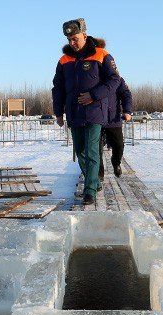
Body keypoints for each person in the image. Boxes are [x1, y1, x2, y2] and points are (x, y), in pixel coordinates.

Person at [52, 18, 121, 205]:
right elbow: (57, 87)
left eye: (75, 39)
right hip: (74, 113)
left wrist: (93, 95)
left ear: (84, 35)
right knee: (80, 151)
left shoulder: (102, 55)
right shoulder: (64, 60)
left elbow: (114, 80)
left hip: (95, 112)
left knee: (92, 150)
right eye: (69, 40)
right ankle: (94, 180)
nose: (72, 43)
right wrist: (58, 112)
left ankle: (90, 189)